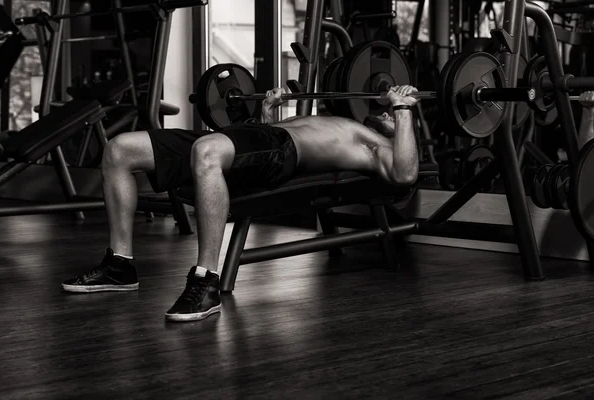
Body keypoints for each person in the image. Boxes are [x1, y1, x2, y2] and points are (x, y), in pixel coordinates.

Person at [61, 85, 421, 322]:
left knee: (207, 151)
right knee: (119, 149)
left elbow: (405, 174)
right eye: (392, 112)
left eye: (393, 116)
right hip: (253, 140)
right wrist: (268, 112)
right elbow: (255, 155)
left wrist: (405, 111)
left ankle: (206, 283)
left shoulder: (374, 144)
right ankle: (120, 266)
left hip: (278, 150)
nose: (387, 113)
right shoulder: (348, 127)